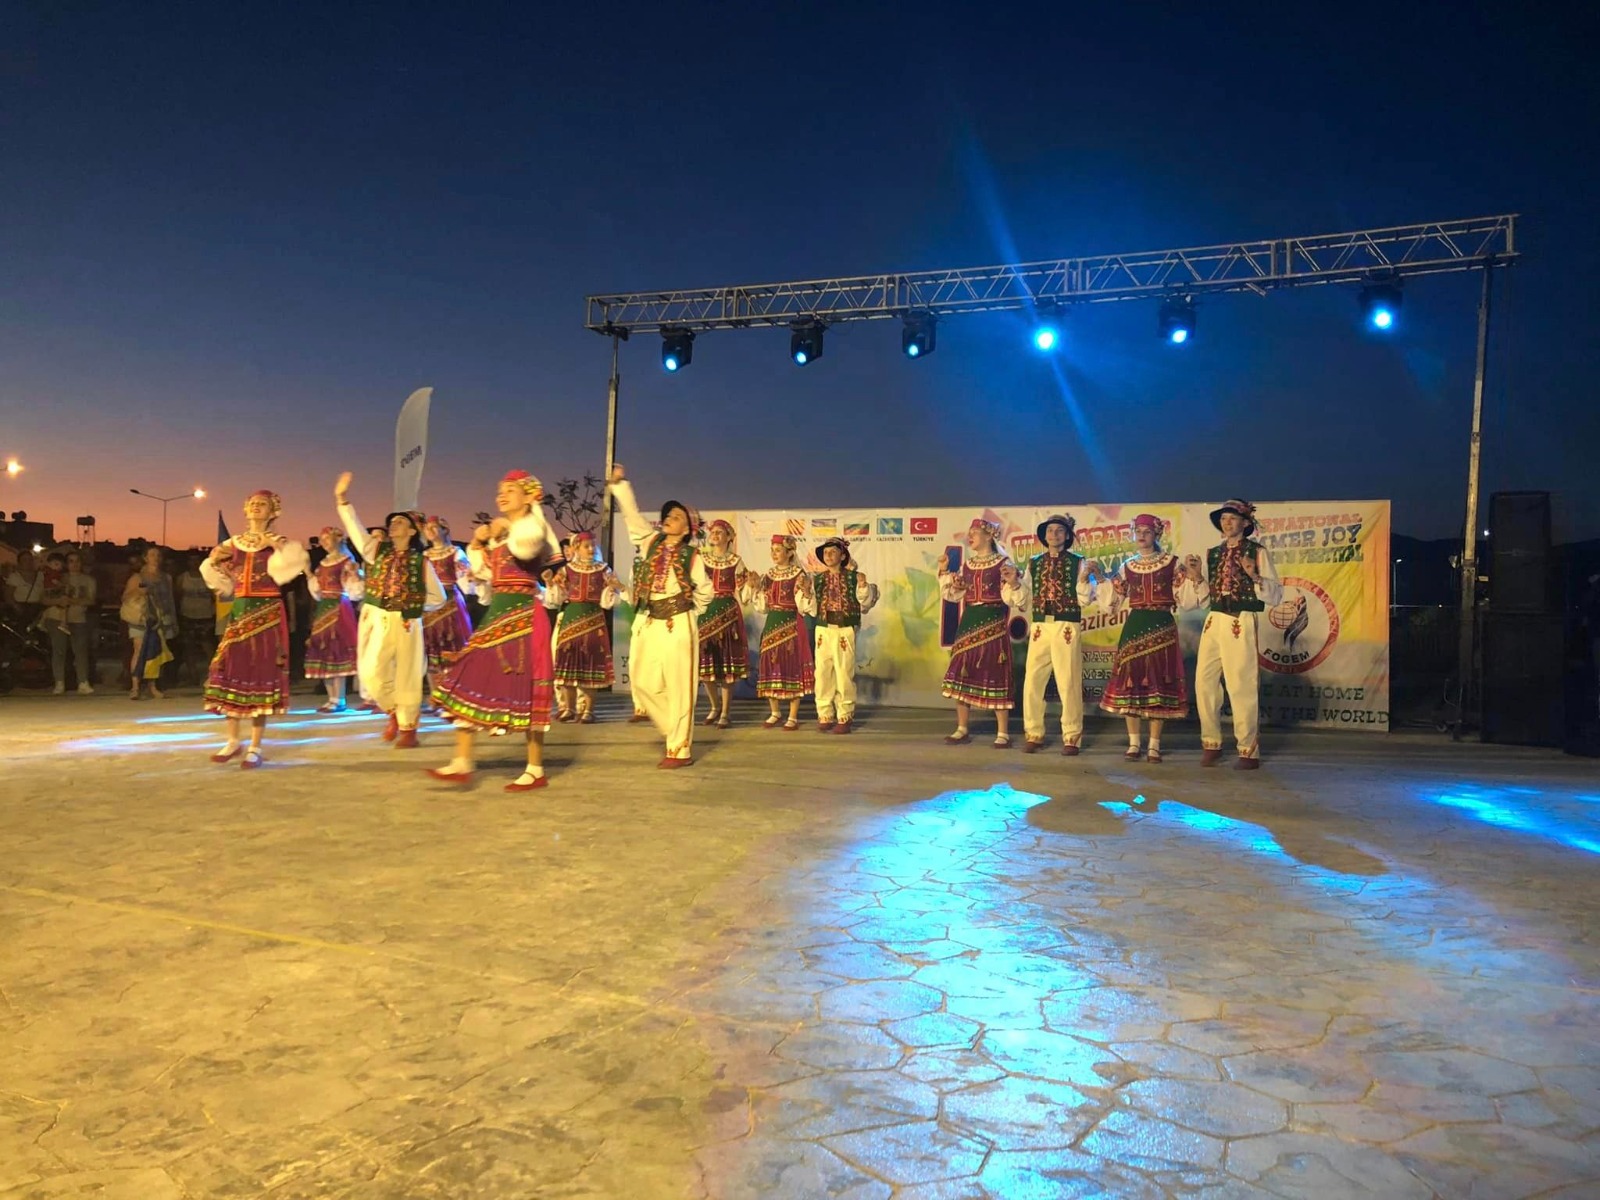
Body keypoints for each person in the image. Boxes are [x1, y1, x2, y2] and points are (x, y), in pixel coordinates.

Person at [427, 470, 558, 790]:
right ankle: (462, 761)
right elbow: (484, 575)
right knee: (468, 674)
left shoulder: (534, 527)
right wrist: (476, 543)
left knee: (529, 687)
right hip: (498, 613)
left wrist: (506, 526)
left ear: (528, 496)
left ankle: (535, 769)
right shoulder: (502, 537)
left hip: (525, 615)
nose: (502, 495)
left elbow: (525, 549)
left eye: (510, 490)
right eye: (500, 490)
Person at [606, 464, 712, 768]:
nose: (669, 518)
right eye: (668, 515)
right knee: (642, 681)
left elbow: (705, 592)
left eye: (676, 517)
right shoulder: (650, 542)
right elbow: (632, 517)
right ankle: (673, 728)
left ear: (688, 529)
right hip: (651, 619)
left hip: (678, 622)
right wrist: (620, 486)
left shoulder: (692, 556)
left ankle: (679, 748)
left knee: (680, 686)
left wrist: (687, 613)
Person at [200, 490, 310, 767]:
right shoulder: (234, 542)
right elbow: (216, 572)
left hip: (267, 611)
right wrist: (216, 561)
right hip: (240, 610)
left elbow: (294, 564)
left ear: (273, 512)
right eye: (253, 503)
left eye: (263, 504)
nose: (257, 507)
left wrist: (274, 544)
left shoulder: (278, 542)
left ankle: (255, 745)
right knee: (230, 667)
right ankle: (232, 740)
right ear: (245, 509)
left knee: (262, 671)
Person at [334, 473, 445, 748]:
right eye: (392, 521)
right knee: (371, 671)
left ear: (412, 531)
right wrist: (342, 500)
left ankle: (408, 728)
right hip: (378, 616)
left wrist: (413, 605)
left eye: (399, 522)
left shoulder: (421, 562)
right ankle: (393, 710)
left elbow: (439, 598)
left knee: (408, 671)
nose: (392, 524)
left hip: (407, 620)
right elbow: (356, 530)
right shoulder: (377, 551)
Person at [1185, 498, 1284, 769]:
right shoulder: (1213, 553)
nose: (1227, 523)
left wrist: (1255, 576)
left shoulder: (1257, 552)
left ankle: (1247, 750)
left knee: (1241, 684)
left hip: (1241, 618)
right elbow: (1205, 600)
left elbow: (1275, 596)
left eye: (1232, 518)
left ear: (1245, 523)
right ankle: (1211, 743)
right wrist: (1197, 577)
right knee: (1204, 683)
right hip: (1214, 619)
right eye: (1223, 519)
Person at [1098, 513, 1202, 763]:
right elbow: (1113, 602)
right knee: (1130, 682)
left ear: (1156, 534)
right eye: (1138, 531)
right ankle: (1134, 743)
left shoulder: (1172, 563)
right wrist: (1101, 580)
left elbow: (1187, 601)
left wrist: (1193, 576)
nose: (1142, 536)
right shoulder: (1127, 566)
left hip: (1162, 625)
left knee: (1159, 682)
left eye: (1147, 532)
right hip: (1135, 625)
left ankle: (1154, 744)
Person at [1002, 515, 1100, 754]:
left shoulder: (1078, 562)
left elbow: (1084, 598)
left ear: (1067, 536)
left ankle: (1071, 736)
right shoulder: (1034, 563)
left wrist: (1084, 580)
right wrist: (1014, 583)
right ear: (1044, 536)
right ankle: (1033, 733)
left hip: (1066, 625)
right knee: (1033, 681)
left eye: (1059, 531)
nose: (1054, 535)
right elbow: (1023, 599)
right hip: (1040, 626)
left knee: (1068, 682)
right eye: (1050, 531)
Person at [938, 518, 1016, 747]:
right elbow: (953, 594)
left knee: (996, 671)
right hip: (969, 621)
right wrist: (944, 572)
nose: (970, 536)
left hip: (993, 622)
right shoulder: (968, 565)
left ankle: (1003, 732)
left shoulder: (1003, 562)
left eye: (974, 532)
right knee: (963, 670)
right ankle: (962, 728)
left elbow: (1011, 595)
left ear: (989, 536)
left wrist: (1012, 583)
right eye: (969, 532)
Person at [545, 531, 623, 724]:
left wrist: (613, 587)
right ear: (576, 548)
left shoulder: (604, 569)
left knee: (591, 664)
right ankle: (569, 708)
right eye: (586, 546)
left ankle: (588, 710)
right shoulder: (566, 570)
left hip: (593, 618)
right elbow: (557, 599)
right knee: (568, 663)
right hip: (571, 617)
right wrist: (549, 582)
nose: (591, 549)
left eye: (593, 546)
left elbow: (608, 602)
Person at [810, 536, 878, 734]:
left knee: (843, 673)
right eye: (825, 552)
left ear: (842, 556)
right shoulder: (818, 579)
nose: (828, 555)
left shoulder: (853, 577)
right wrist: (805, 593)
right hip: (823, 628)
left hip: (844, 629)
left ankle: (845, 715)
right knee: (822, 672)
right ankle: (824, 713)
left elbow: (865, 602)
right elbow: (810, 607)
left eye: (833, 552)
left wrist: (863, 585)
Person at [751, 534, 816, 730]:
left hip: (791, 624)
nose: (774, 554)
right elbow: (762, 607)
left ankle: (793, 716)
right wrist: (756, 589)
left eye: (778, 550)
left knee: (791, 666)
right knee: (770, 664)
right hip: (772, 623)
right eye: (772, 550)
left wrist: (806, 592)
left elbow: (804, 606)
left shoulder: (799, 575)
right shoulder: (768, 575)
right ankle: (775, 712)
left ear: (789, 553)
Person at [698, 519, 750, 728]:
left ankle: (726, 712)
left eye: (720, 532)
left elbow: (744, 594)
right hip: (706, 614)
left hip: (728, 615)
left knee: (727, 667)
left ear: (729, 537)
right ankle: (714, 706)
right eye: (713, 532)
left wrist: (750, 585)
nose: (715, 535)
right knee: (706, 665)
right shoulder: (701, 560)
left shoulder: (736, 561)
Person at [305, 526, 363, 712]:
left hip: (339, 606)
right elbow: (317, 592)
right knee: (323, 651)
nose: (323, 542)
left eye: (327, 538)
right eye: (321, 539)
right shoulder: (323, 563)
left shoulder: (347, 561)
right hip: (324, 608)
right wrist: (308, 573)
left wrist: (355, 575)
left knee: (337, 650)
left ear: (338, 540)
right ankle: (331, 698)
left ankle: (340, 699)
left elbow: (355, 591)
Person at [422, 516, 474, 703]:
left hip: (450, 602)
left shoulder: (455, 552)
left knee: (452, 645)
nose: (430, 531)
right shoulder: (424, 555)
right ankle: (436, 695)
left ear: (445, 530)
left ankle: (455, 694)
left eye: (434, 527)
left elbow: (465, 578)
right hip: (428, 604)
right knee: (430, 648)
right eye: (427, 528)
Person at [122, 547, 178, 700]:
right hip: (141, 618)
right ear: (145, 558)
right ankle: (135, 687)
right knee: (139, 650)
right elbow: (125, 596)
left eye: (158, 555)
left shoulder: (166, 578)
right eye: (152, 555)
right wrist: (139, 592)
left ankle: (152, 686)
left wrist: (173, 621)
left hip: (160, 619)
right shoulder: (138, 577)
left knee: (155, 653)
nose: (156, 558)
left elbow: (170, 600)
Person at [47, 549, 97, 694]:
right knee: (59, 651)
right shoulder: (58, 578)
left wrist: (72, 601)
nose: (74, 564)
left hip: (78, 619)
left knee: (81, 652)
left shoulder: (89, 580)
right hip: (56, 618)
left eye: (77, 561)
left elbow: (91, 600)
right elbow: (45, 597)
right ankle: (59, 682)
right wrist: (59, 601)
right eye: (71, 561)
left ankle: (83, 682)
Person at [176, 553, 217, 684]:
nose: (194, 563)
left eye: (196, 560)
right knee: (189, 648)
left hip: (206, 616)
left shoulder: (208, 578)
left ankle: (213, 675)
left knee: (208, 646)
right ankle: (193, 676)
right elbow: (177, 596)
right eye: (191, 560)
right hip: (187, 616)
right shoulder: (183, 578)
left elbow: (215, 597)